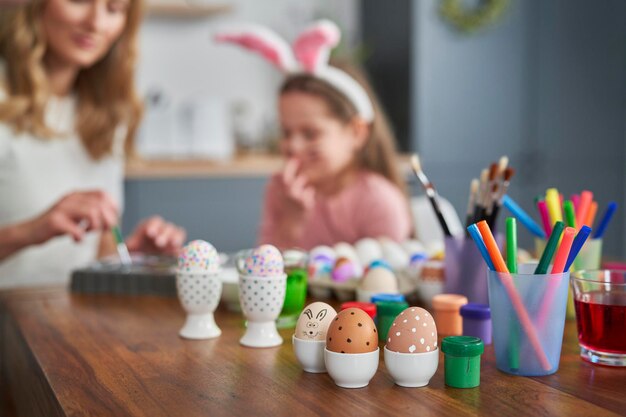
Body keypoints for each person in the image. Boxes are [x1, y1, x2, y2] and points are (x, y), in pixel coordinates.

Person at [0, 0, 186, 288]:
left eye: (114, 9)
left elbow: (95, 251)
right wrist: (31, 231)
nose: (96, 23)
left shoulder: (109, 115)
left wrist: (133, 257)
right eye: (79, 0)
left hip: (66, 320)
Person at [217, 20, 412, 250]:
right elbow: (266, 276)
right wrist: (292, 222)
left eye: (310, 134)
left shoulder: (378, 201)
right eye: (286, 132)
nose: (293, 146)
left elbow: (388, 280)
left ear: (357, 133)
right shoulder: (279, 191)